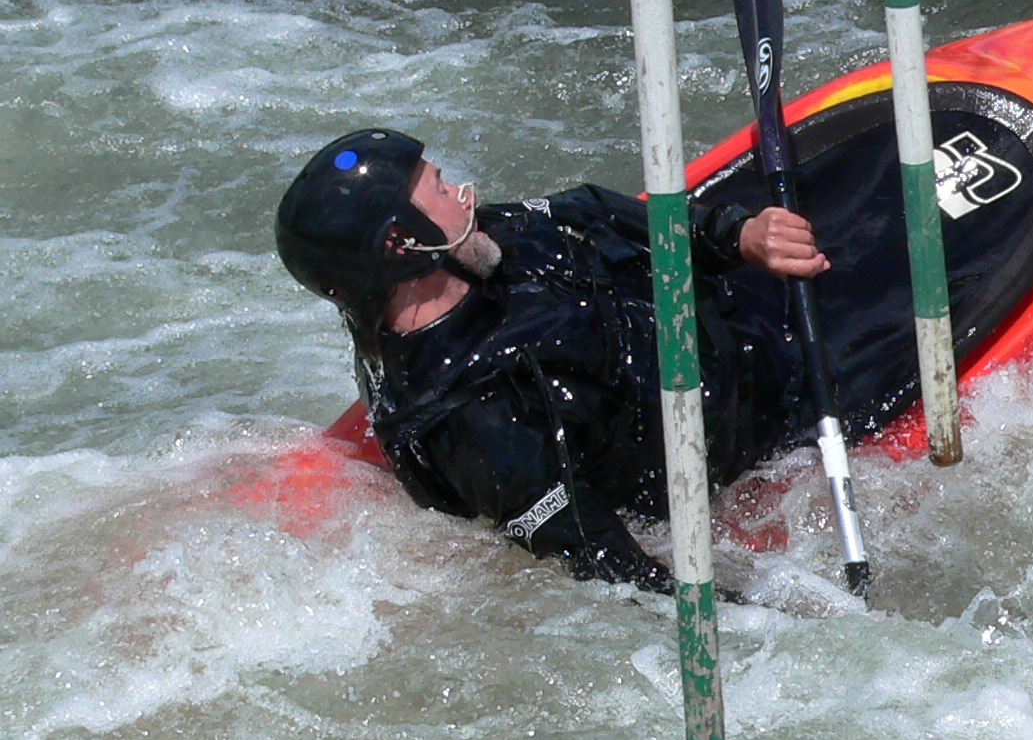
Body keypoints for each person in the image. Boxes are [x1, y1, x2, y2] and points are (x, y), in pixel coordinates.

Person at [276, 128, 824, 591]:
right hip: (781, 420)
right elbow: (619, 573)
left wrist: (735, 234)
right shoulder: (482, 428)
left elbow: (588, 209)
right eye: (440, 188)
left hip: (743, 311)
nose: (464, 194)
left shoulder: (478, 239)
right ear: (404, 243)